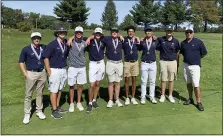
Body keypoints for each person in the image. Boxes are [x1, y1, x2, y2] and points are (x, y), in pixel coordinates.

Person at [86, 27, 124, 108]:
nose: (114, 33)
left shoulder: (120, 39)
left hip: (113, 63)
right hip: (101, 63)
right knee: (107, 83)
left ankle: (116, 99)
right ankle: (109, 100)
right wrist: (89, 37)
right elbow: (79, 37)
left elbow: (131, 38)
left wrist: (120, 36)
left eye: (116, 31)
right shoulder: (106, 39)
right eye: (113, 31)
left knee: (116, 82)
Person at [19, 32, 47, 124]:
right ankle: (27, 113)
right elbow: (21, 62)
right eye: (34, 38)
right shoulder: (26, 49)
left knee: (40, 93)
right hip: (31, 73)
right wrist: (25, 73)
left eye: (38, 38)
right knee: (28, 94)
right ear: (32, 39)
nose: (36, 39)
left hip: (42, 72)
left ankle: (39, 111)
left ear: (40, 38)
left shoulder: (43, 47)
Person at [43, 26, 69, 119]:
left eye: (64, 32)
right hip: (54, 70)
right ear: (57, 33)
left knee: (60, 89)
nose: (62, 33)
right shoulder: (52, 44)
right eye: (60, 32)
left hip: (62, 69)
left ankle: (57, 107)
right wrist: (48, 70)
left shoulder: (65, 44)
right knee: (54, 90)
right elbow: (45, 57)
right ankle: (54, 110)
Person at [180, 26, 207, 111]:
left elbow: (203, 53)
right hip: (185, 65)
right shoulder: (183, 43)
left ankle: (198, 102)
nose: (188, 34)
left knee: (196, 84)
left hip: (195, 66)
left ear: (193, 33)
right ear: (185, 33)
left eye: (190, 32)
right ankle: (190, 98)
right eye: (187, 32)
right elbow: (182, 53)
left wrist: (196, 59)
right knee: (188, 83)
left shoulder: (199, 42)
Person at [83, 27, 106, 113]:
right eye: (96, 33)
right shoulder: (90, 40)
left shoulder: (104, 40)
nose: (98, 34)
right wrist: (89, 38)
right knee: (91, 84)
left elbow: (115, 36)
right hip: (93, 64)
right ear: (94, 33)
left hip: (101, 63)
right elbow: (79, 37)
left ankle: (94, 100)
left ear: (101, 34)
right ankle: (89, 103)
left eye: (99, 33)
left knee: (97, 83)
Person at [157, 25, 180, 103]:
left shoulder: (176, 41)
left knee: (171, 79)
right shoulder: (161, 39)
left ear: (172, 32)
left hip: (173, 62)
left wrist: (177, 62)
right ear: (165, 31)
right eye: (168, 30)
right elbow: (153, 40)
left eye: (170, 31)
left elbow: (177, 52)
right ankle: (162, 95)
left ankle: (170, 95)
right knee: (163, 79)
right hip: (163, 61)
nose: (169, 32)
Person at [66, 26, 88, 112]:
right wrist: (72, 37)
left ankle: (78, 102)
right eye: (77, 32)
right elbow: (67, 43)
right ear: (75, 33)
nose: (79, 33)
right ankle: (71, 103)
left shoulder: (84, 43)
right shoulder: (70, 41)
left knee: (80, 85)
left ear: (82, 33)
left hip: (81, 67)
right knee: (72, 86)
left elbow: (95, 36)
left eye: (80, 32)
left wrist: (89, 37)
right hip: (72, 67)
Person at [139, 26, 159, 104]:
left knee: (152, 81)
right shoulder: (142, 41)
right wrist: (139, 40)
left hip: (153, 63)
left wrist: (156, 38)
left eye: (150, 31)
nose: (148, 32)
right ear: (145, 33)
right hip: (144, 63)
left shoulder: (155, 41)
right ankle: (143, 97)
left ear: (152, 32)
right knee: (143, 81)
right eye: (147, 31)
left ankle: (152, 97)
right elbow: (138, 48)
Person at [122, 25, 140, 105]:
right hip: (127, 62)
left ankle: (132, 97)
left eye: (132, 32)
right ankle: (126, 98)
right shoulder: (124, 40)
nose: (130, 33)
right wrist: (119, 36)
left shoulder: (137, 40)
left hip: (135, 62)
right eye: (129, 32)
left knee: (134, 80)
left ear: (134, 32)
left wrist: (140, 39)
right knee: (126, 80)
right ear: (127, 33)